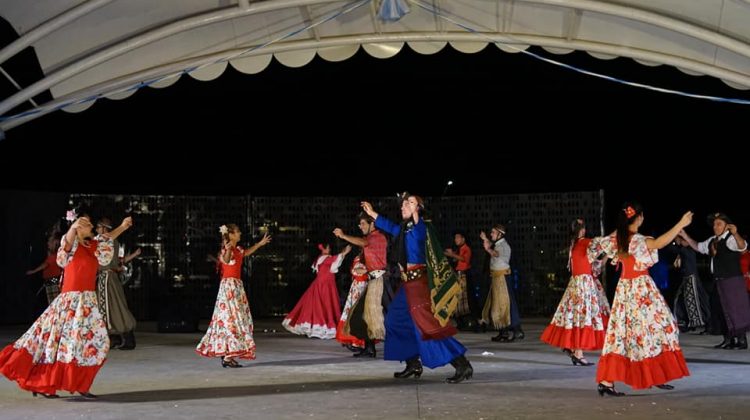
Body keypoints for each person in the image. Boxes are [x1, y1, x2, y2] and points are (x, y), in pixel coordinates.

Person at [0, 213, 133, 398]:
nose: (92, 227)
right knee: (55, 344)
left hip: (87, 304)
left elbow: (106, 237)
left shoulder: (93, 246)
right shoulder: (70, 245)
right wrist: (72, 227)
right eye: (87, 225)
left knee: (92, 342)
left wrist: (123, 227)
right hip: (70, 304)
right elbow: (67, 242)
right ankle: (43, 383)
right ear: (78, 227)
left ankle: (80, 383)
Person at [362, 193, 472, 383]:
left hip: (418, 285)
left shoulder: (421, 228)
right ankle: (413, 363)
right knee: (394, 321)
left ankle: (462, 364)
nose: (403, 206)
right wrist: (373, 213)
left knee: (428, 327)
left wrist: (415, 212)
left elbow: (418, 225)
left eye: (409, 203)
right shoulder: (404, 230)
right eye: (403, 203)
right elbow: (390, 226)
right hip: (406, 285)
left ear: (418, 209)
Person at [593, 202, 691, 396]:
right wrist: (680, 224)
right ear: (639, 218)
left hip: (625, 290)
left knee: (624, 333)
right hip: (640, 289)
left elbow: (600, 245)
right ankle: (647, 375)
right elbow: (659, 243)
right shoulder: (636, 239)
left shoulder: (618, 237)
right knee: (659, 327)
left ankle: (612, 380)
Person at [196, 224, 271, 367]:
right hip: (229, 288)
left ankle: (228, 354)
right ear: (230, 235)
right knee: (232, 320)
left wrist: (259, 244)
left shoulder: (238, 249)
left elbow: (246, 252)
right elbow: (226, 258)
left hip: (236, 287)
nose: (240, 233)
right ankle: (227, 356)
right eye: (237, 232)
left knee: (236, 320)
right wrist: (228, 248)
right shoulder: (227, 249)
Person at [541, 218, 610, 366]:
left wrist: (605, 257)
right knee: (582, 318)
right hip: (584, 285)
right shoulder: (585, 242)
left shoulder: (574, 245)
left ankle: (573, 348)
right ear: (583, 230)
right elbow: (603, 244)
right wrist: (616, 239)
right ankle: (578, 352)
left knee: (573, 317)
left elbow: (590, 264)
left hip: (575, 284)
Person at [680, 212, 750, 350]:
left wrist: (735, 233)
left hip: (732, 279)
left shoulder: (730, 239)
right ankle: (728, 339)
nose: (715, 227)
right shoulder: (712, 240)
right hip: (719, 280)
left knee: (736, 309)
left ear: (727, 226)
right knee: (721, 310)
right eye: (714, 224)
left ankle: (741, 341)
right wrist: (685, 236)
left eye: (719, 224)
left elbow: (742, 247)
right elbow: (698, 247)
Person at [333, 212, 388, 357]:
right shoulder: (372, 237)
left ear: (372, 224)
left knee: (384, 316)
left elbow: (363, 243)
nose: (360, 226)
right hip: (373, 281)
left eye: (363, 223)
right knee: (361, 315)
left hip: (380, 281)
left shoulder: (376, 237)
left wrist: (343, 236)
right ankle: (369, 348)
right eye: (360, 224)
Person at [282, 242, 350, 339]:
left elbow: (333, 264)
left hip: (322, 284)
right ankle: (322, 329)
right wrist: (344, 253)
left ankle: (318, 329)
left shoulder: (320, 258)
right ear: (324, 248)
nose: (329, 249)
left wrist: (342, 254)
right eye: (328, 247)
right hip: (325, 285)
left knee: (318, 307)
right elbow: (334, 261)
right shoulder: (325, 258)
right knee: (323, 306)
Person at [95, 217, 138, 350]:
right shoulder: (116, 242)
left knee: (114, 306)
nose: (96, 230)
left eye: (98, 227)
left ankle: (126, 336)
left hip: (107, 278)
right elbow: (120, 262)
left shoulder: (104, 241)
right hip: (108, 277)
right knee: (109, 308)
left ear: (104, 228)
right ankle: (113, 338)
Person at [672, 234, 710, 334]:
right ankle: (688, 322)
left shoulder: (688, 249)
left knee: (698, 300)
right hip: (687, 277)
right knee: (683, 300)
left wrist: (679, 241)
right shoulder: (683, 250)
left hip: (691, 277)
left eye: (680, 240)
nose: (679, 242)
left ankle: (706, 323)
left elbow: (675, 249)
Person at [444, 230, 473, 330]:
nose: (456, 240)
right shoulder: (459, 249)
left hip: (464, 276)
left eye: (458, 237)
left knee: (463, 301)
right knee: (458, 301)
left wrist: (451, 255)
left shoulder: (466, 249)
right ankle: (461, 322)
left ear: (463, 239)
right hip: (458, 276)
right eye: (455, 238)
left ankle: (467, 322)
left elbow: (463, 259)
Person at [25, 236, 63, 306]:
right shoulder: (56, 255)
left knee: (53, 302)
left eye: (50, 242)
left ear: (55, 244)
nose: (48, 243)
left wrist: (33, 271)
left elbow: (45, 264)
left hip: (52, 281)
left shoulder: (53, 257)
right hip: (54, 280)